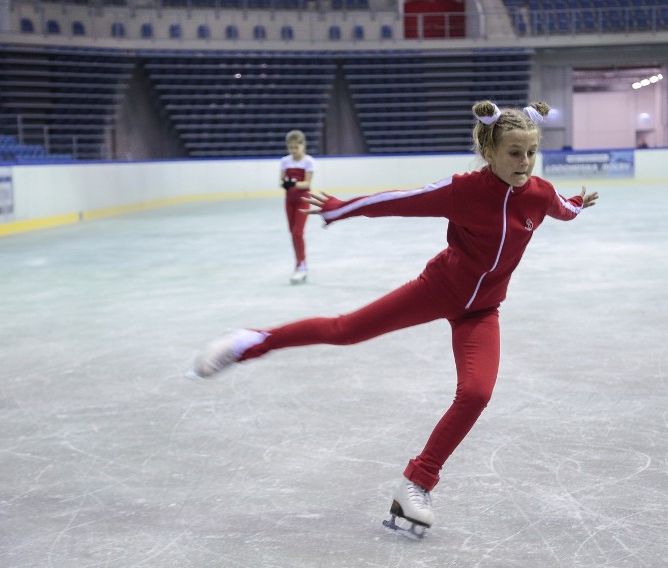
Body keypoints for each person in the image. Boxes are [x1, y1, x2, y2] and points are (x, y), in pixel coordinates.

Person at [189, 100, 599, 538]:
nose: (525, 163)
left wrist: (576, 202)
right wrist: (340, 208)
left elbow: (562, 208)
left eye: (531, 152)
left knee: (477, 393)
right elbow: (399, 201)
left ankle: (417, 483)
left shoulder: (537, 192)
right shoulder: (463, 190)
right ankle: (249, 342)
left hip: (482, 310)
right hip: (439, 289)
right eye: (515, 153)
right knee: (345, 331)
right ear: (491, 152)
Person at [279, 129, 316, 284]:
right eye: (291, 148)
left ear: (303, 146)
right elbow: (282, 181)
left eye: (296, 147)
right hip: (289, 201)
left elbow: (307, 183)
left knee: (298, 232)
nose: (293, 151)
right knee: (292, 233)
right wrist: (285, 184)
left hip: (302, 200)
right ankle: (298, 262)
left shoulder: (308, 161)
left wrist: (293, 183)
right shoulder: (285, 161)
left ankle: (302, 264)